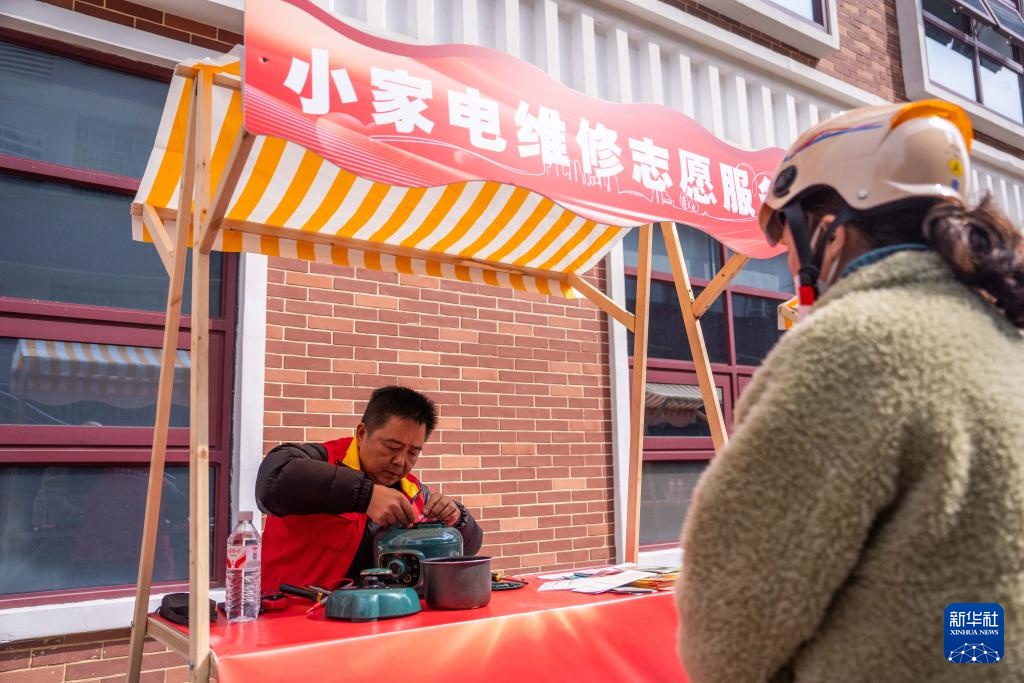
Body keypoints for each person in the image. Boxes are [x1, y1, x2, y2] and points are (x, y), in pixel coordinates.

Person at [675, 99, 1024, 682]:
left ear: (828, 231)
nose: (788, 258)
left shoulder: (851, 344)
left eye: (787, 235)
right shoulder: (1001, 336)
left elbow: (734, 618)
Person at [256, 385, 483, 593]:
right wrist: (367, 495)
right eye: (392, 447)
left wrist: (457, 520)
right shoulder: (321, 460)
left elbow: (465, 549)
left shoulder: (413, 491)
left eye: (413, 452)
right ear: (362, 433)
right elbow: (272, 478)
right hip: (293, 613)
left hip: (379, 613)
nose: (400, 461)